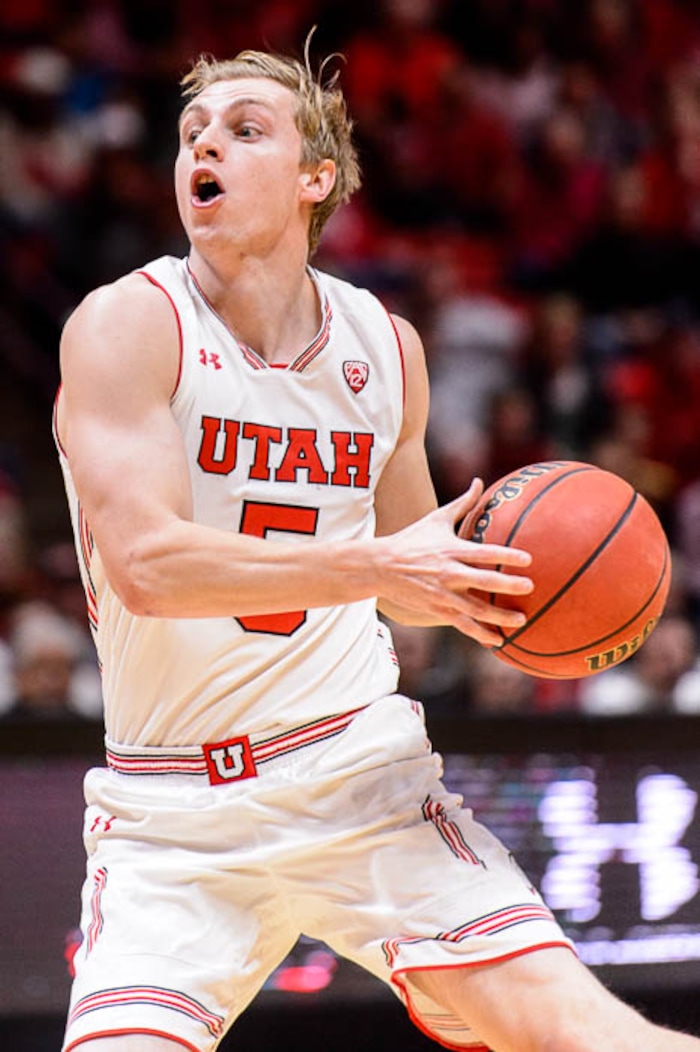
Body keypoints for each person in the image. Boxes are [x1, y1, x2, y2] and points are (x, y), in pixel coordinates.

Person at [53, 37, 700, 1052]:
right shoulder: (127, 325)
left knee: (585, 1032)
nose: (202, 146)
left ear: (315, 177)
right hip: (169, 811)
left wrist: (474, 586)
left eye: (242, 128)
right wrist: (385, 566)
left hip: (356, 771)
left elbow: (408, 578)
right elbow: (147, 566)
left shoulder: (383, 345)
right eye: (192, 132)